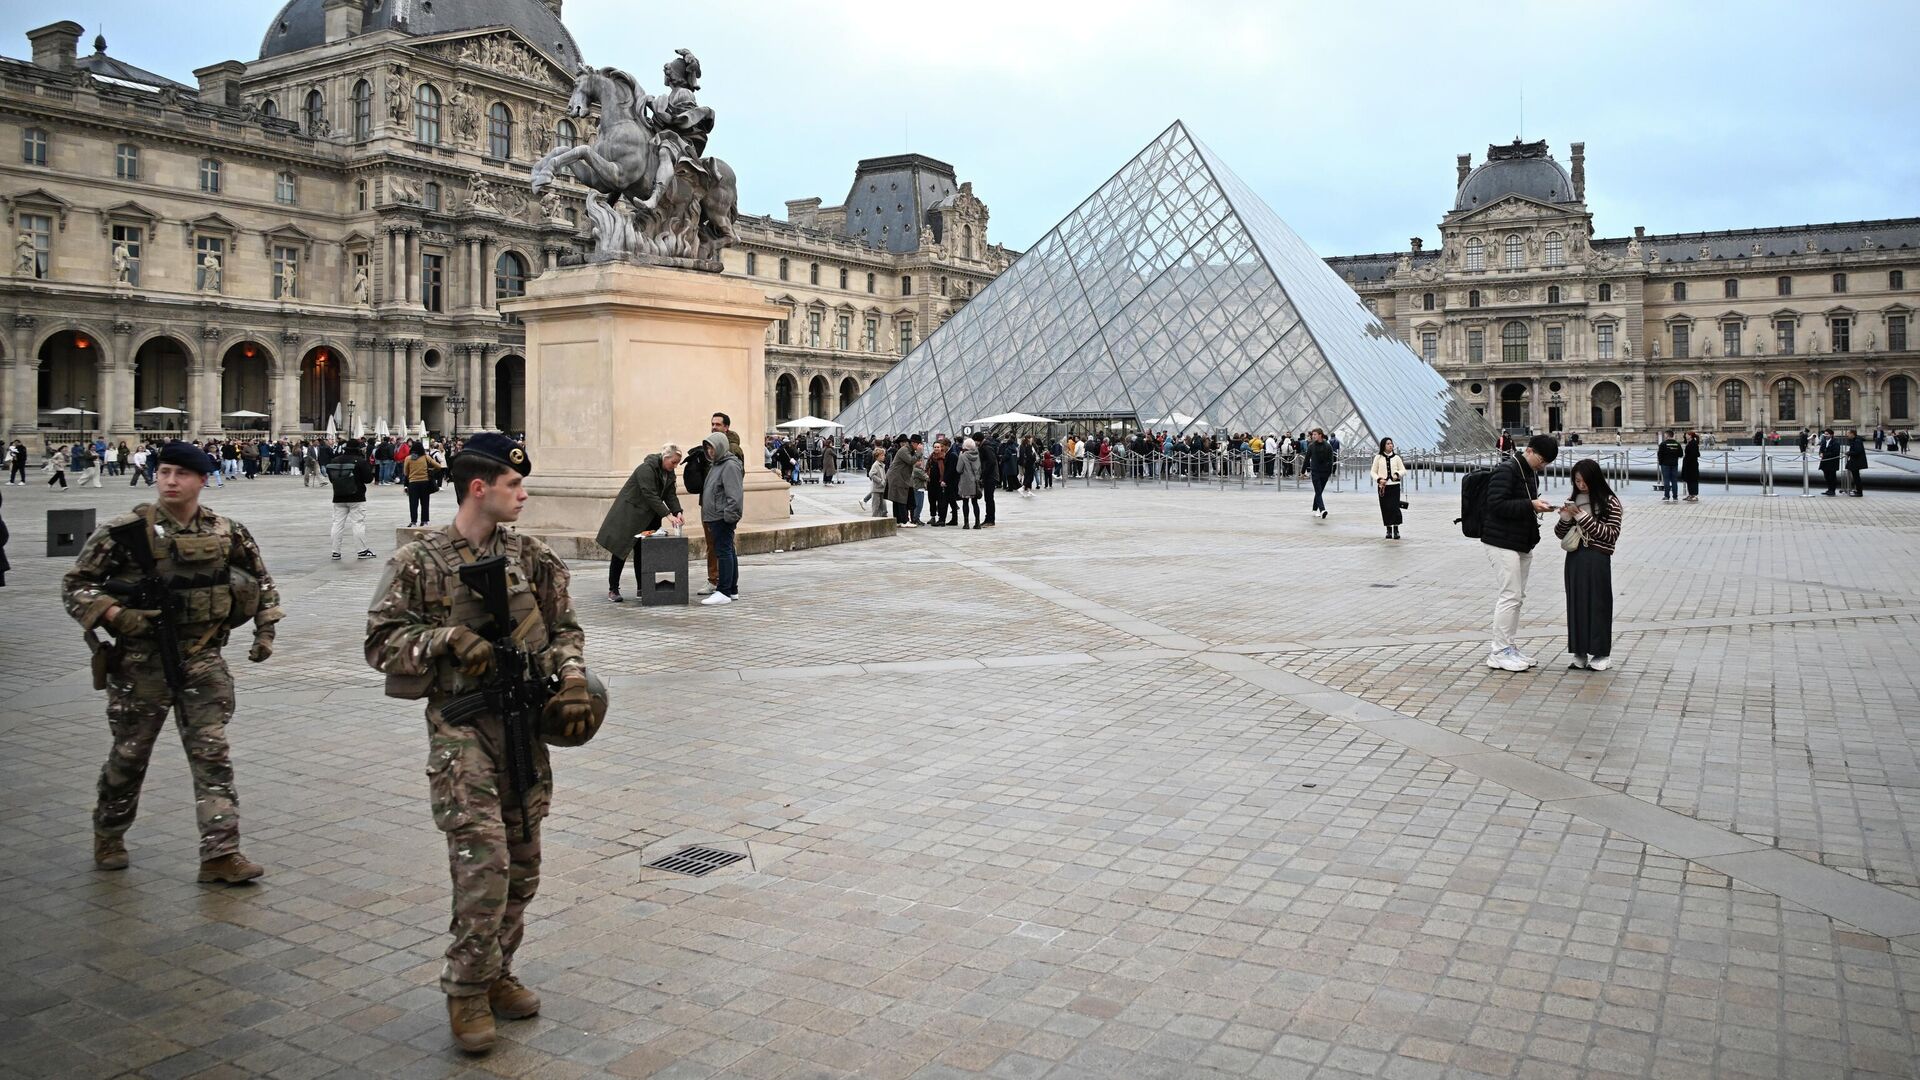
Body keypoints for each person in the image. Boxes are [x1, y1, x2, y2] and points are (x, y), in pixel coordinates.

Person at [364, 434, 593, 1054]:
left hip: (524, 728)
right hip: (461, 729)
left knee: (524, 864)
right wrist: (441, 640)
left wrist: (572, 681)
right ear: (478, 488)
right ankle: (465, 991)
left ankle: (497, 972)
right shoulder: (420, 561)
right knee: (485, 864)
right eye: (514, 486)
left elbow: (566, 629)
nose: (523, 495)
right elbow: (380, 642)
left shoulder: (533, 556)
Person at [62, 440, 282, 881]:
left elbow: (260, 581)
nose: (170, 481)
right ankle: (109, 832)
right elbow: (76, 585)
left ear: (202, 479)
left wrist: (266, 630)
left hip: (202, 657)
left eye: (180, 474)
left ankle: (220, 853)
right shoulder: (125, 531)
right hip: (141, 663)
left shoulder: (226, 530)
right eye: (164, 472)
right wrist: (116, 614)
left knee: (212, 754)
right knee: (130, 754)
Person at [1482, 434, 1559, 672]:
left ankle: (1509, 646)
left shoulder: (1528, 472)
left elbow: (1523, 501)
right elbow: (1495, 504)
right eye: (1543, 460)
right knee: (1510, 595)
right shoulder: (1507, 470)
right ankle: (1498, 651)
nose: (1543, 466)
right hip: (1501, 540)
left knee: (1517, 597)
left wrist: (1537, 504)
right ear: (1530, 451)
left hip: (1520, 541)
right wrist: (1530, 505)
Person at [1555, 458, 1624, 672]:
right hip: (1575, 558)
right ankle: (1579, 652)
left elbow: (1611, 535)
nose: (1581, 485)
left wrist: (1583, 517)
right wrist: (1566, 518)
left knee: (1598, 605)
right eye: (1577, 481)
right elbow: (1560, 534)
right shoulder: (1573, 499)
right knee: (1576, 604)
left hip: (1598, 558)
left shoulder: (1610, 502)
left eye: (1585, 481)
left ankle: (1602, 652)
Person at [596, 443, 683, 602]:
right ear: (665, 458)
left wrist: (678, 511)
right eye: (674, 462)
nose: (675, 466)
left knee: (643, 552)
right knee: (620, 550)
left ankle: (643, 587)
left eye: (677, 463)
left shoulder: (669, 473)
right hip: (631, 515)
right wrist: (668, 515)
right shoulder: (646, 469)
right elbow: (649, 494)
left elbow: (670, 494)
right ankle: (613, 589)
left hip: (649, 519)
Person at [696, 413, 745, 597]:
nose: (714, 426)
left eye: (718, 424)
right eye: (712, 424)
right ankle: (730, 589)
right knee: (724, 549)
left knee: (723, 551)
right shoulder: (717, 461)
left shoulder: (730, 461)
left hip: (721, 514)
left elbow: (734, 492)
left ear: (726, 427)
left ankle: (723, 589)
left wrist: (729, 516)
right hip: (714, 512)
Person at [325, 438, 377, 560]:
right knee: (358, 523)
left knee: (337, 524)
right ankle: (362, 551)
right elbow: (368, 479)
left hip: (338, 496)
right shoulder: (360, 461)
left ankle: (335, 552)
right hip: (357, 496)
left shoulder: (335, 460)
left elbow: (332, 479)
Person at [1370, 437, 1404, 540]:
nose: (1390, 445)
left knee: (1395, 508)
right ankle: (1388, 529)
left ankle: (1396, 529)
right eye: (1388, 444)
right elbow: (1373, 472)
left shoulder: (1397, 458)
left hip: (1394, 486)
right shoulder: (1378, 457)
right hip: (1383, 487)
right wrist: (1379, 479)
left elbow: (1403, 470)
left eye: (1391, 444)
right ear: (1383, 446)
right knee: (1385, 508)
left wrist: (1397, 474)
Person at [404, 439, 437, 527]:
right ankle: (424, 521)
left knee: (413, 503)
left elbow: (405, 473)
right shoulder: (426, 457)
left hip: (413, 483)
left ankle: (414, 521)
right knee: (425, 503)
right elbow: (438, 466)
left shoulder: (408, 458)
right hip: (425, 482)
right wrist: (431, 470)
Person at [886, 435, 916, 528]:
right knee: (901, 498)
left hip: (896, 477)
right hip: (897, 477)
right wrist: (919, 453)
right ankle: (904, 521)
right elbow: (910, 461)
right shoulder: (904, 450)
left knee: (897, 499)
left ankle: (898, 520)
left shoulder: (905, 450)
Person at [1304, 428, 1333, 519]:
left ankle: (1314, 509)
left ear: (1320, 435)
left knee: (1319, 492)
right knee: (1318, 491)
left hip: (1325, 473)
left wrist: (1329, 472)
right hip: (1315, 472)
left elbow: (1331, 460)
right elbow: (1306, 459)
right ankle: (1322, 510)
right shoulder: (1311, 446)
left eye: (1315, 434)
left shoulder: (1328, 446)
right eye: (1312, 434)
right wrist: (1302, 472)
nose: (1313, 436)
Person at [957, 437, 982, 528]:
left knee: (965, 502)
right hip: (975, 481)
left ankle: (966, 523)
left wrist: (960, 456)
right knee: (975, 503)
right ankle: (977, 523)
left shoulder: (963, 455)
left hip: (966, 482)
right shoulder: (977, 454)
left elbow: (958, 469)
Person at [925, 439, 951, 526]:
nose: (936, 448)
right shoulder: (930, 457)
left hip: (940, 483)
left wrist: (944, 480)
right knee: (931, 500)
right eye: (935, 447)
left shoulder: (943, 457)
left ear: (941, 448)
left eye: (938, 447)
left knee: (940, 501)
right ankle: (933, 517)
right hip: (931, 482)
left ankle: (941, 518)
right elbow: (927, 468)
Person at [1655, 430, 1682, 502]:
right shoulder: (1677, 444)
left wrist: (1661, 462)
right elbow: (1681, 454)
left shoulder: (1663, 444)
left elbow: (1659, 455)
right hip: (1674, 464)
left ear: (1667, 435)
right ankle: (1675, 496)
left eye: (1665, 435)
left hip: (1665, 464)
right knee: (1674, 481)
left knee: (1666, 480)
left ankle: (1666, 496)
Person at [865, 445, 889, 518]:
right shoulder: (876, 465)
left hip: (881, 488)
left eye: (883, 455)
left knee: (883, 505)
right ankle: (875, 517)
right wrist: (880, 480)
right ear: (877, 456)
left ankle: (882, 515)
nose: (883, 457)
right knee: (876, 505)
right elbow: (871, 474)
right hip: (876, 488)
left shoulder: (881, 465)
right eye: (882, 455)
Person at [1819, 429, 1841, 496]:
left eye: (1827, 434)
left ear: (1831, 435)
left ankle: (1832, 490)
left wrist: (1824, 455)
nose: (1825, 435)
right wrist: (1820, 453)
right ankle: (1829, 489)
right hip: (1825, 462)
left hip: (1832, 462)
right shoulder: (1823, 441)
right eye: (1825, 434)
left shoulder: (1835, 442)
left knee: (1832, 477)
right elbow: (1821, 449)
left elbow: (1835, 452)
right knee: (1827, 476)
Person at [1846, 429, 1867, 497]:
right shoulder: (1855, 440)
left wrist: (1849, 453)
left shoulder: (1857, 441)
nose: (1847, 435)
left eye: (1848, 433)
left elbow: (1857, 451)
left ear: (1852, 434)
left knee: (1856, 477)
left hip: (1856, 462)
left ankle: (1859, 492)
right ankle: (1858, 490)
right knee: (1856, 477)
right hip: (1856, 461)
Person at [1681, 431, 1701, 502]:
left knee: (1693, 479)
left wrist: (1687, 459)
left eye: (1687, 434)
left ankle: (1694, 495)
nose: (1686, 435)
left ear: (1690, 436)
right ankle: (1690, 494)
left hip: (1692, 465)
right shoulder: (1689, 443)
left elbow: (1696, 454)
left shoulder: (1693, 443)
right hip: (1688, 464)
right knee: (1689, 479)